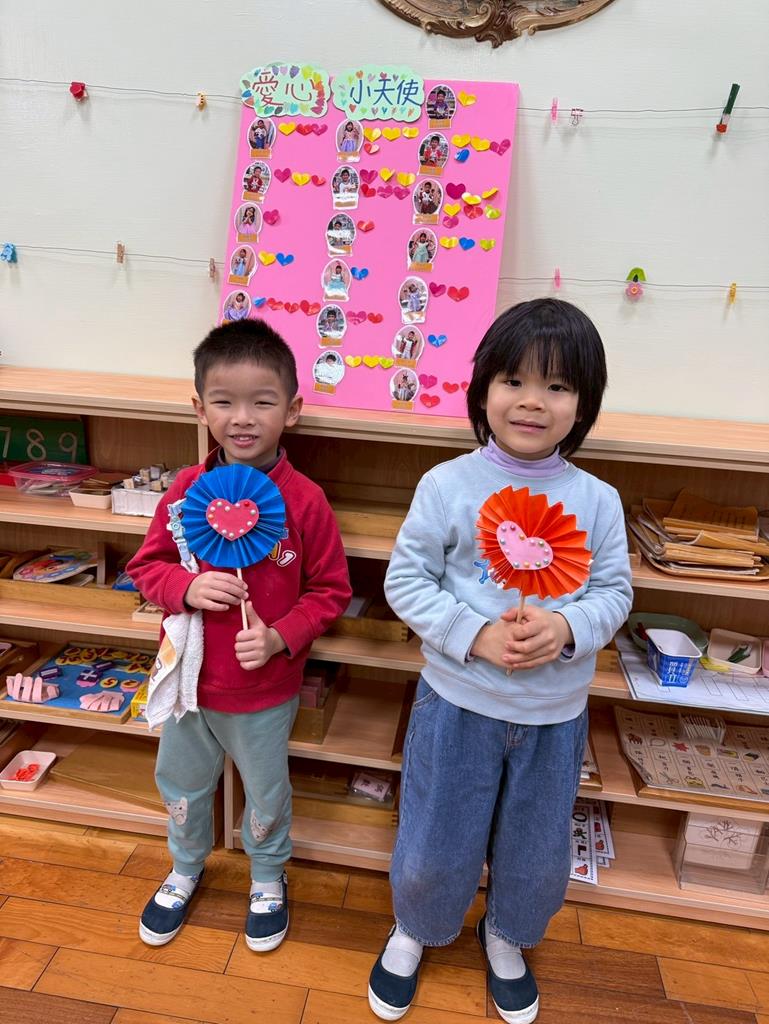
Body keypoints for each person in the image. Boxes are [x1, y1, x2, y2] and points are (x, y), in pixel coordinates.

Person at [368, 298, 633, 1023]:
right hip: (457, 702)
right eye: (514, 380)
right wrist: (473, 633)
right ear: (483, 389)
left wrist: (568, 626)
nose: (532, 401)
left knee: (536, 849)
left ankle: (508, 933)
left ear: (583, 404)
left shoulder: (598, 501)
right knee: (435, 837)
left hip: (554, 715)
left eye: (557, 386)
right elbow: (405, 582)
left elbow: (614, 593)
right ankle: (416, 925)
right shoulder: (445, 485)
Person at [127, 319, 352, 953]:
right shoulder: (184, 490)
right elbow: (146, 567)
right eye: (224, 401)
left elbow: (330, 590)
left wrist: (280, 637)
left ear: (293, 410)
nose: (243, 418)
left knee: (266, 790)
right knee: (181, 782)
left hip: (262, 689)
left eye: (263, 402)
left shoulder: (305, 501)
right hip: (188, 683)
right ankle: (185, 866)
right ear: (200, 408)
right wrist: (186, 587)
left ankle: (267, 876)